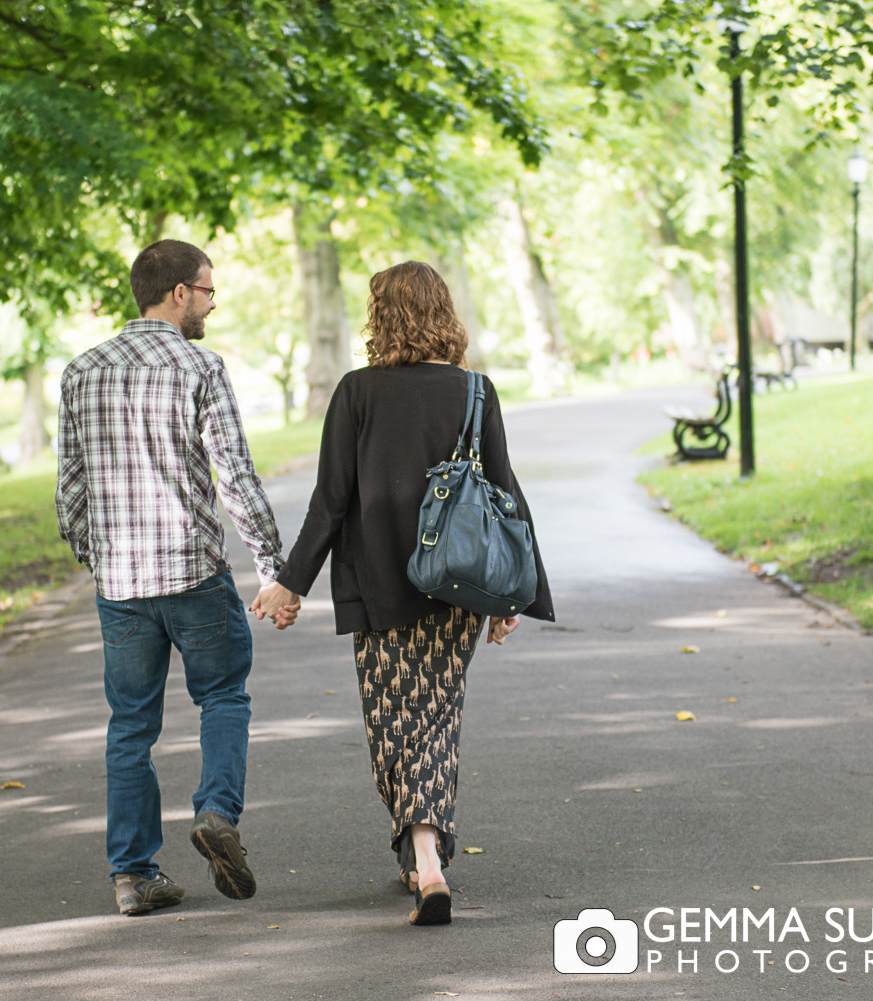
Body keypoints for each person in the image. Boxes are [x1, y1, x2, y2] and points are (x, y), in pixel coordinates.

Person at [252, 260, 553, 926]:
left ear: (381, 314)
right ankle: (426, 856)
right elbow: (504, 493)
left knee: (395, 720)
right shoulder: (476, 390)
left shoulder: (358, 392)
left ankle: (425, 859)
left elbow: (331, 502)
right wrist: (509, 596)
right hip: (456, 585)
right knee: (437, 716)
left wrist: (287, 583)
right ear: (443, 312)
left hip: (379, 585)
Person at [55, 239, 301, 917]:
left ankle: (133, 877)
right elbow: (236, 478)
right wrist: (275, 571)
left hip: (122, 586)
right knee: (223, 695)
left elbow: (70, 492)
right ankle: (217, 811)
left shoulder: (82, 371)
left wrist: (98, 555)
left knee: (130, 727)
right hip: (193, 571)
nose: (211, 304)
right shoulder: (199, 365)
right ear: (179, 293)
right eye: (208, 291)